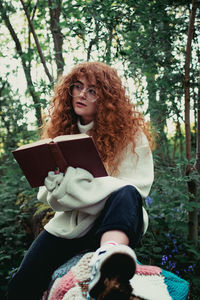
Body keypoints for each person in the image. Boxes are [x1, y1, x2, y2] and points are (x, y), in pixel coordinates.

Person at [7, 61, 154, 300]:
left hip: (115, 219)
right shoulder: (62, 133)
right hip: (70, 225)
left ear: (107, 98)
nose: (81, 94)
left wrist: (73, 185)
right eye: (77, 86)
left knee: (126, 193)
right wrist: (59, 188)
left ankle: (109, 260)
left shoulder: (131, 136)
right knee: (19, 289)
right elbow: (49, 198)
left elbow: (135, 189)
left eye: (92, 90)